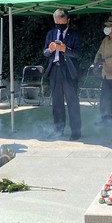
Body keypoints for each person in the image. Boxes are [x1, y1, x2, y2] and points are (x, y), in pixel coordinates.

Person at [42, 8, 81, 140]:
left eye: (63, 22)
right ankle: (58, 130)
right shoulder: (51, 34)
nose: (60, 25)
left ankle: (76, 131)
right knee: (57, 102)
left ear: (68, 20)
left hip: (69, 70)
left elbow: (78, 53)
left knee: (72, 102)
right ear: (55, 21)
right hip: (55, 70)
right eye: (58, 23)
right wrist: (50, 49)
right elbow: (45, 53)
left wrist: (65, 49)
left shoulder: (74, 34)